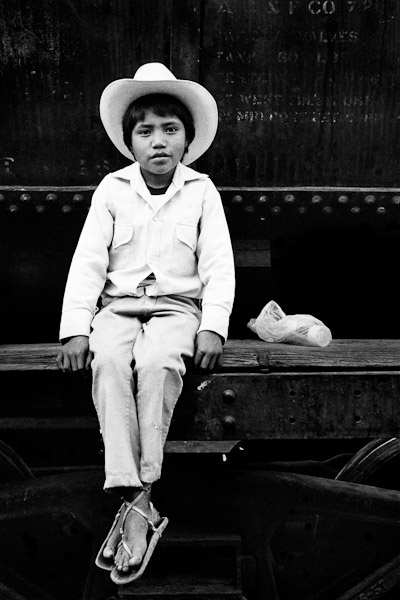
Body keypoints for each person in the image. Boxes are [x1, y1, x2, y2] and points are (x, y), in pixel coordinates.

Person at [56, 62, 235, 585]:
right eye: (146, 131)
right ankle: (138, 501)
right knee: (109, 361)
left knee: (156, 363)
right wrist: (76, 328)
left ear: (187, 139)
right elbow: (88, 262)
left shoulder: (202, 192)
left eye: (170, 129)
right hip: (118, 307)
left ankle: (139, 501)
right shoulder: (111, 190)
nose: (159, 141)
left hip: (178, 309)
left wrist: (213, 326)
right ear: (130, 143)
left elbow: (218, 266)